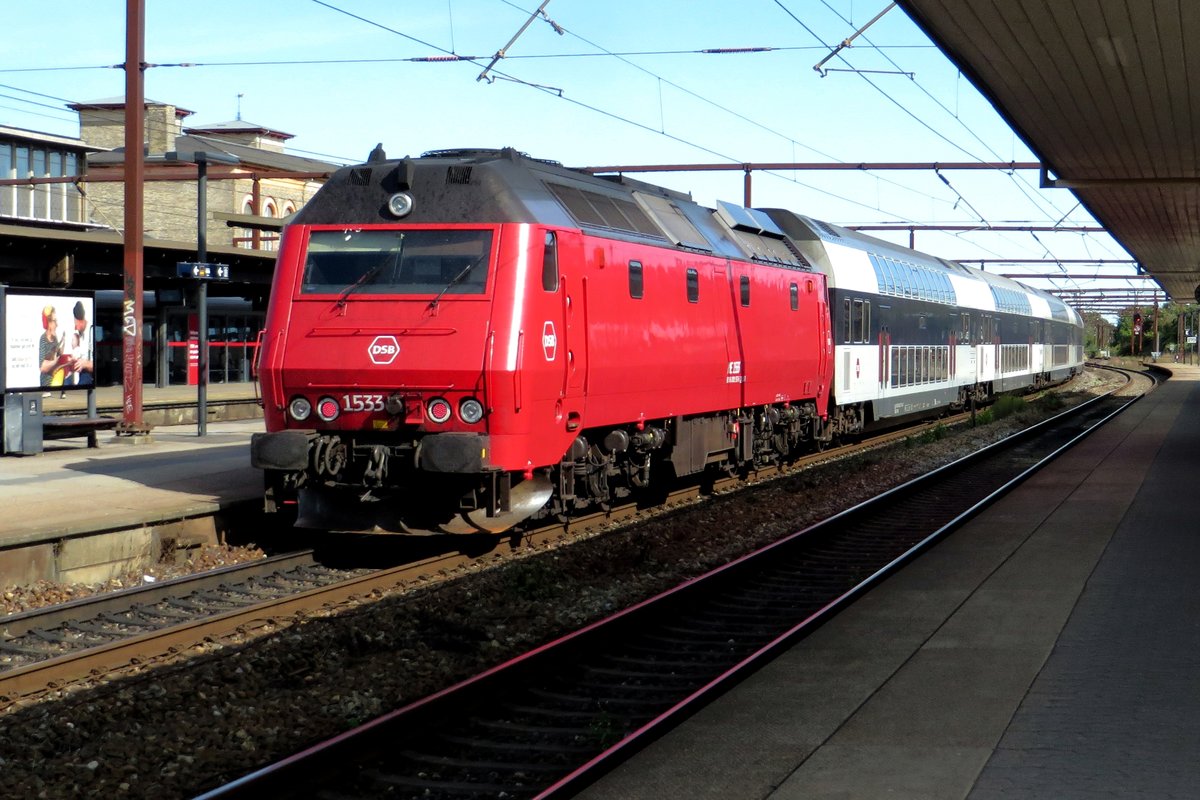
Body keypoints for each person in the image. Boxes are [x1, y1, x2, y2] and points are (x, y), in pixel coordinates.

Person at [38, 305, 63, 396]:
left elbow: (59, 353)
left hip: (56, 381)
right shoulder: (43, 339)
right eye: (54, 321)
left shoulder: (55, 338)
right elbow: (42, 367)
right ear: (48, 323)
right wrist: (55, 362)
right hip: (47, 385)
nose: (57, 324)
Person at [69, 300, 94, 386]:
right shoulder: (78, 334)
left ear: (83, 320)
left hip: (89, 374)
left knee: (84, 380)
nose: (75, 327)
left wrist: (85, 364)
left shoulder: (91, 331)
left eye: (77, 323)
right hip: (80, 372)